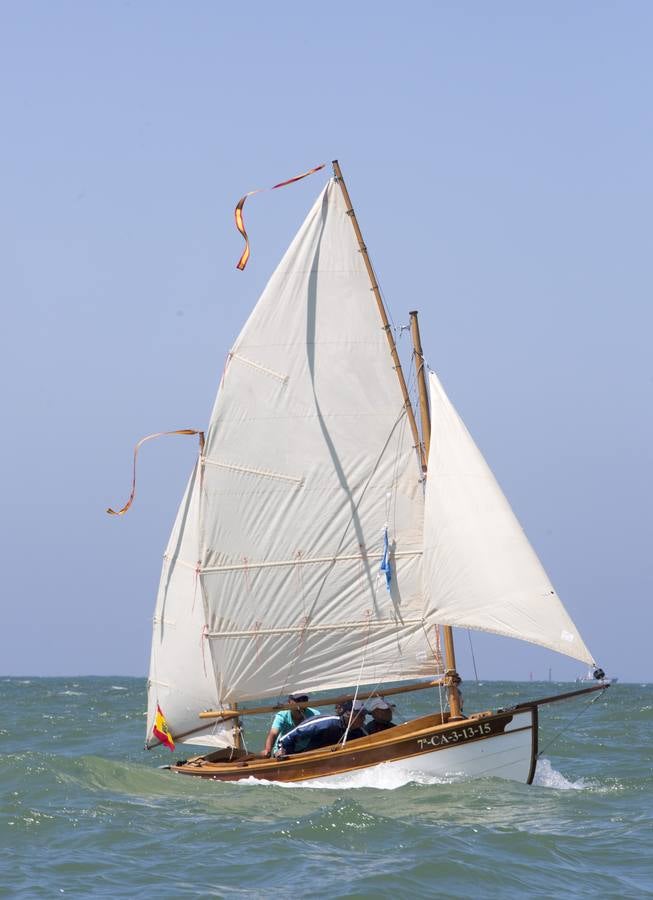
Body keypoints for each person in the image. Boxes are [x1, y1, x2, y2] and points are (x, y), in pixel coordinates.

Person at [275, 700, 368, 757]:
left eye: (364, 715)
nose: (364, 719)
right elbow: (286, 738)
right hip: (309, 759)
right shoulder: (327, 722)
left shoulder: (359, 731)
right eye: (360, 716)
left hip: (334, 761)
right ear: (348, 715)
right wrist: (281, 750)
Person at [262, 692, 320, 757]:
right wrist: (268, 750)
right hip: (284, 749)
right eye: (298, 700)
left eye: (304, 700)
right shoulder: (282, 716)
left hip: (306, 749)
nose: (301, 704)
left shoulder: (315, 715)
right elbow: (273, 733)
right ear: (289, 702)